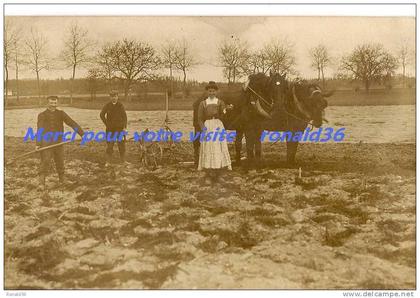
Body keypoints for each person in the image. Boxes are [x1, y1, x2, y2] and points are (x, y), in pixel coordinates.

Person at [36, 96, 85, 188]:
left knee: (60, 160)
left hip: (59, 141)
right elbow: (39, 130)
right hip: (46, 142)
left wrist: (82, 133)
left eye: (55, 103)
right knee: (45, 161)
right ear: (47, 103)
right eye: (51, 103)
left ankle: (62, 180)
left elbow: (71, 122)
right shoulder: (42, 115)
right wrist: (38, 144)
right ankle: (41, 183)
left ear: (57, 103)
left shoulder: (61, 113)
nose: (53, 105)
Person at [197, 81, 234, 184]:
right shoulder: (203, 103)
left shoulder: (220, 102)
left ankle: (219, 174)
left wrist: (227, 109)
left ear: (216, 92)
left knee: (218, 147)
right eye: (210, 91)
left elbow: (223, 111)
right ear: (207, 92)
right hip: (208, 126)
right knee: (209, 148)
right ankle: (209, 175)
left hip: (218, 125)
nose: (211, 93)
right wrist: (203, 128)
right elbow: (199, 118)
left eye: (213, 91)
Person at [100, 90, 128, 166]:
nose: (114, 98)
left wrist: (124, 127)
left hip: (119, 129)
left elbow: (125, 117)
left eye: (115, 96)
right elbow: (102, 115)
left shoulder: (120, 105)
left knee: (121, 145)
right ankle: (108, 162)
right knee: (110, 145)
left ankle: (123, 161)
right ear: (110, 97)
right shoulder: (107, 105)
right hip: (110, 129)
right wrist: (107, 124)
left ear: (117, 97)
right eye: (112, 96)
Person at [192, 95, 206, 168]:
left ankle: (197, 159)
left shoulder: (198, 100)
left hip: (198, 123)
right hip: (199, 122)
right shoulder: (201, 101)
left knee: (197, 138)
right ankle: (197, 159)